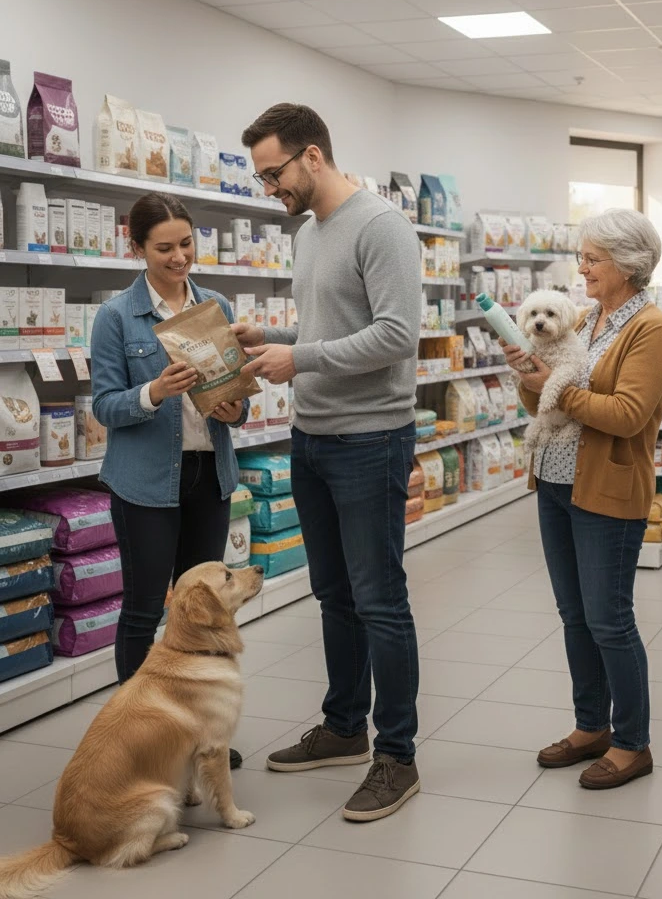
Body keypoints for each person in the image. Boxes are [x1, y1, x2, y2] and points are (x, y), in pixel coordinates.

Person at [233, 103, 423, 822]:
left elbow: (398, 336)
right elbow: (329, 329)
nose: (269, 188)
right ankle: (345, 726)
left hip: (370, 440)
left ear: (312, 156)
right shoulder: (309, 233)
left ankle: (397, 756)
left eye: (273, 173)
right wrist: (273, 338)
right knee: (334, 595)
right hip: (311, 438)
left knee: (380, 600)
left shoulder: (382, 227)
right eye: (261, 177)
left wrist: (301, 357)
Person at [502, 209, 662, 790]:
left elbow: (627, 415)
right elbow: (543, 405)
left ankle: (632, 742)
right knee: (574, 615)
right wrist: (530, 380)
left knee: (609, 619)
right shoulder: (588, 319)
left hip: (607, 489)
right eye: (583, 258)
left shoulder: (650, 328)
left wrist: (556, 389)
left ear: (628, 264)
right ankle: (590, 725)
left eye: (592, 259)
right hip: (555, 483)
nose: (582, 269)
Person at [90, 192, 249, 768]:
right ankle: (139, 742)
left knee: (203, 611)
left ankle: (200, 737)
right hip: (145, 485)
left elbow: (237, 396)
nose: (179, 257)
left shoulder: (216, 306)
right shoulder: (116, 317)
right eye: (164, 248)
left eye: (186, 243)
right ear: (136, 247)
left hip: (209, 476)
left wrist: (236, 409)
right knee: (142, 612)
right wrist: (154, 392)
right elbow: (105, 406)